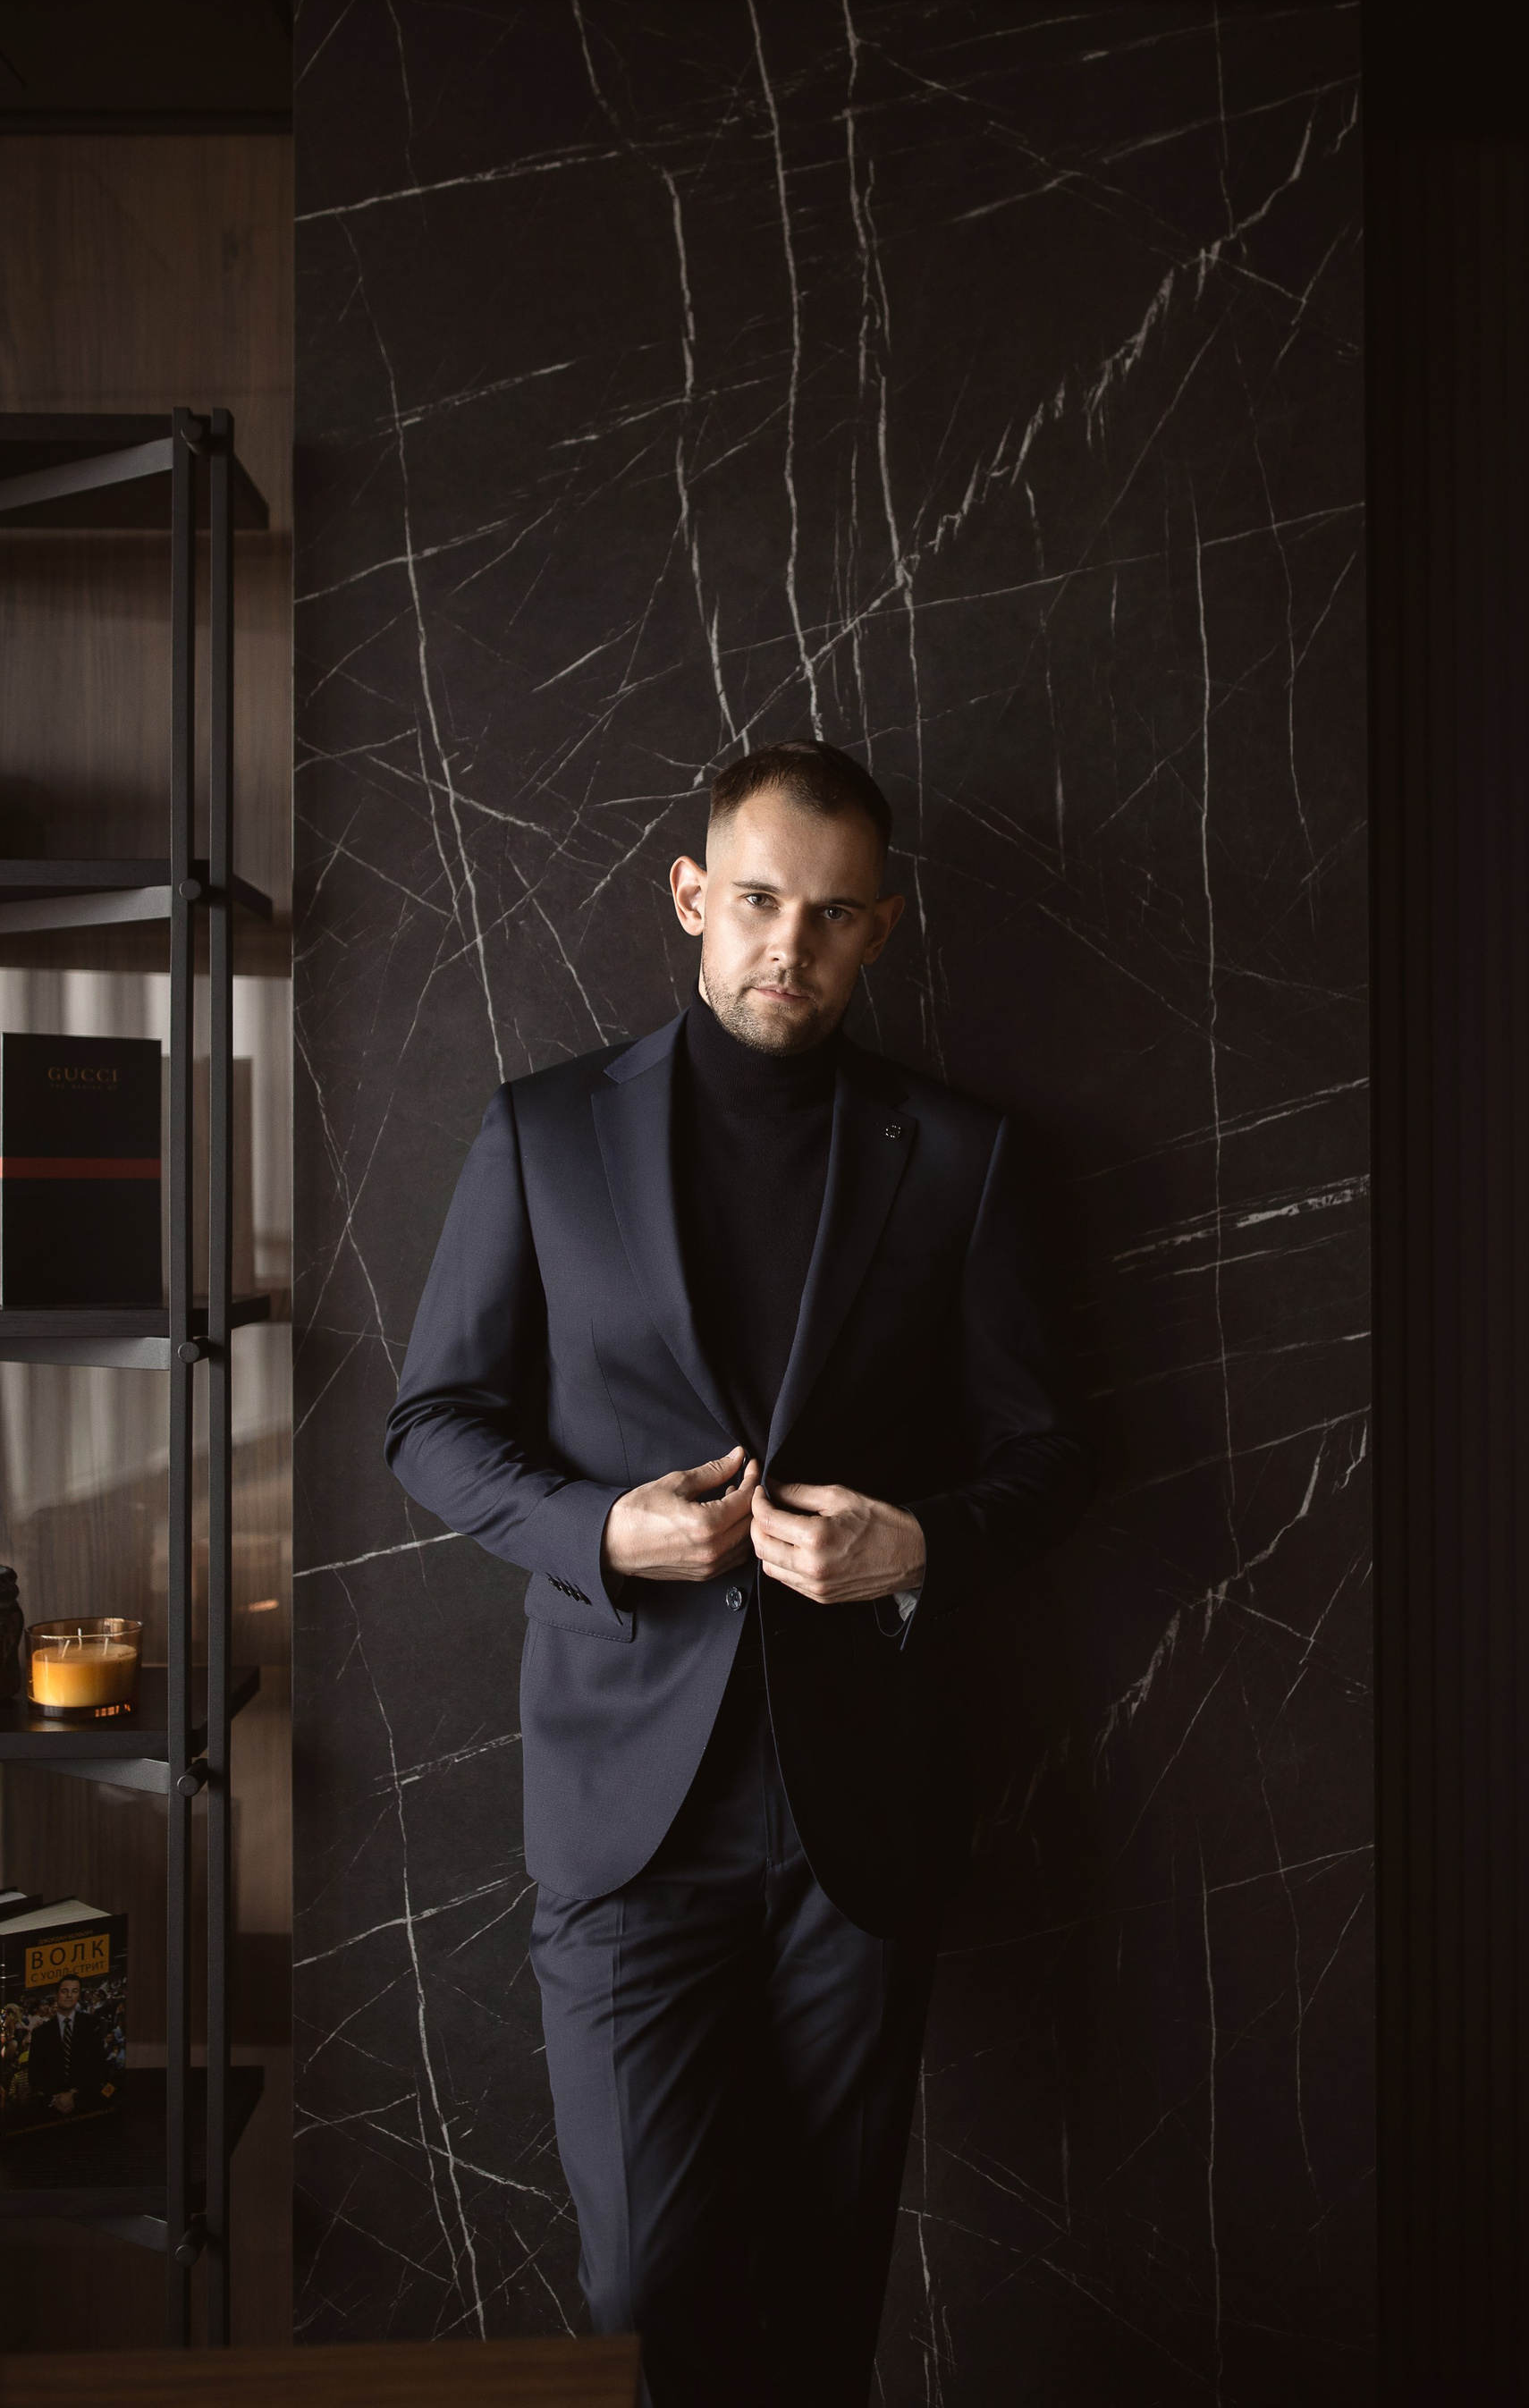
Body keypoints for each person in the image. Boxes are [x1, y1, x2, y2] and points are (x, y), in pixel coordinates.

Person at [385, 740, 1089, 2406]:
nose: (792, 944)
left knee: (825, 2295)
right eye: (761, 900)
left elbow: (1050, 1455)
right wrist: (599, 1532)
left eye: (834, 914)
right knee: (643, 2287)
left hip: (862, 1820)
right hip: (628, 1823)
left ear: (881, 928)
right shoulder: (545, 1132)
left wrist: (914, 1546)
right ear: (694, 897)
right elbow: (430, 1424)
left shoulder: (961, 1154)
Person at [22, 1973, 109, 2115]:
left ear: (78, 1995)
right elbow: (35, 2076)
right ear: (56, 1995)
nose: (69, 1995)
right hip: (53, 2107)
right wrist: (59, 2098)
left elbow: (98, 2065)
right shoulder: (40, 2032)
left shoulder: (94, 2024)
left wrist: (74, 2093)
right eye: (64, 1991)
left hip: (87, 2104)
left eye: (74, 1991)